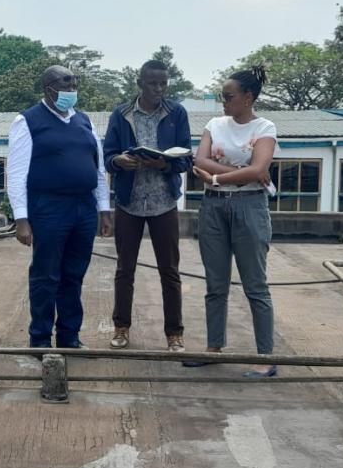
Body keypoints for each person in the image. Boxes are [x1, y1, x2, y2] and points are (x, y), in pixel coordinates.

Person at [7, 65, 113, 352]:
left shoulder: (84, 120)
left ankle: (69, 336)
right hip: (48, 207)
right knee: (46, 275)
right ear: (48, 88)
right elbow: (16, 173)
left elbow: (98, 168)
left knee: (74, 274)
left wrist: (104, 210)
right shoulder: (27, 121)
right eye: (65, 83)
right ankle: (40, 339)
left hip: (84, 207)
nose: (71, 89)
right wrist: (22, 220)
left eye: (74, 83)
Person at [186, 65, 278, 378]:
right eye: (223, 97)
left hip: (250, 208)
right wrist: (241, 174)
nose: (223, 102)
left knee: (255, 285)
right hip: (212, 208)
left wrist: (215, 175)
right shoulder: (215, 123)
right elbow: (199, 160)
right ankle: (214, 348)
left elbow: (258, 169)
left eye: (229, 97)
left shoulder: (265, 128)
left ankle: (266, 355)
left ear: (248, 97)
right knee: (215, 283)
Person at [103, 60, 192, 352]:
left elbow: (185, 158)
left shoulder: (176, 112)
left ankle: (174, 333)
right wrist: (119, 161)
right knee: (124, 269)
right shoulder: (122, 114)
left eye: (164, 83)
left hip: (164, 202)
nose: (159, 89)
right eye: (153, 83)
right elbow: (108, 156)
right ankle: (121, 328)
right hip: (129, 202)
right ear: (140, 82)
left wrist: (164, 163)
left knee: (170, 270)